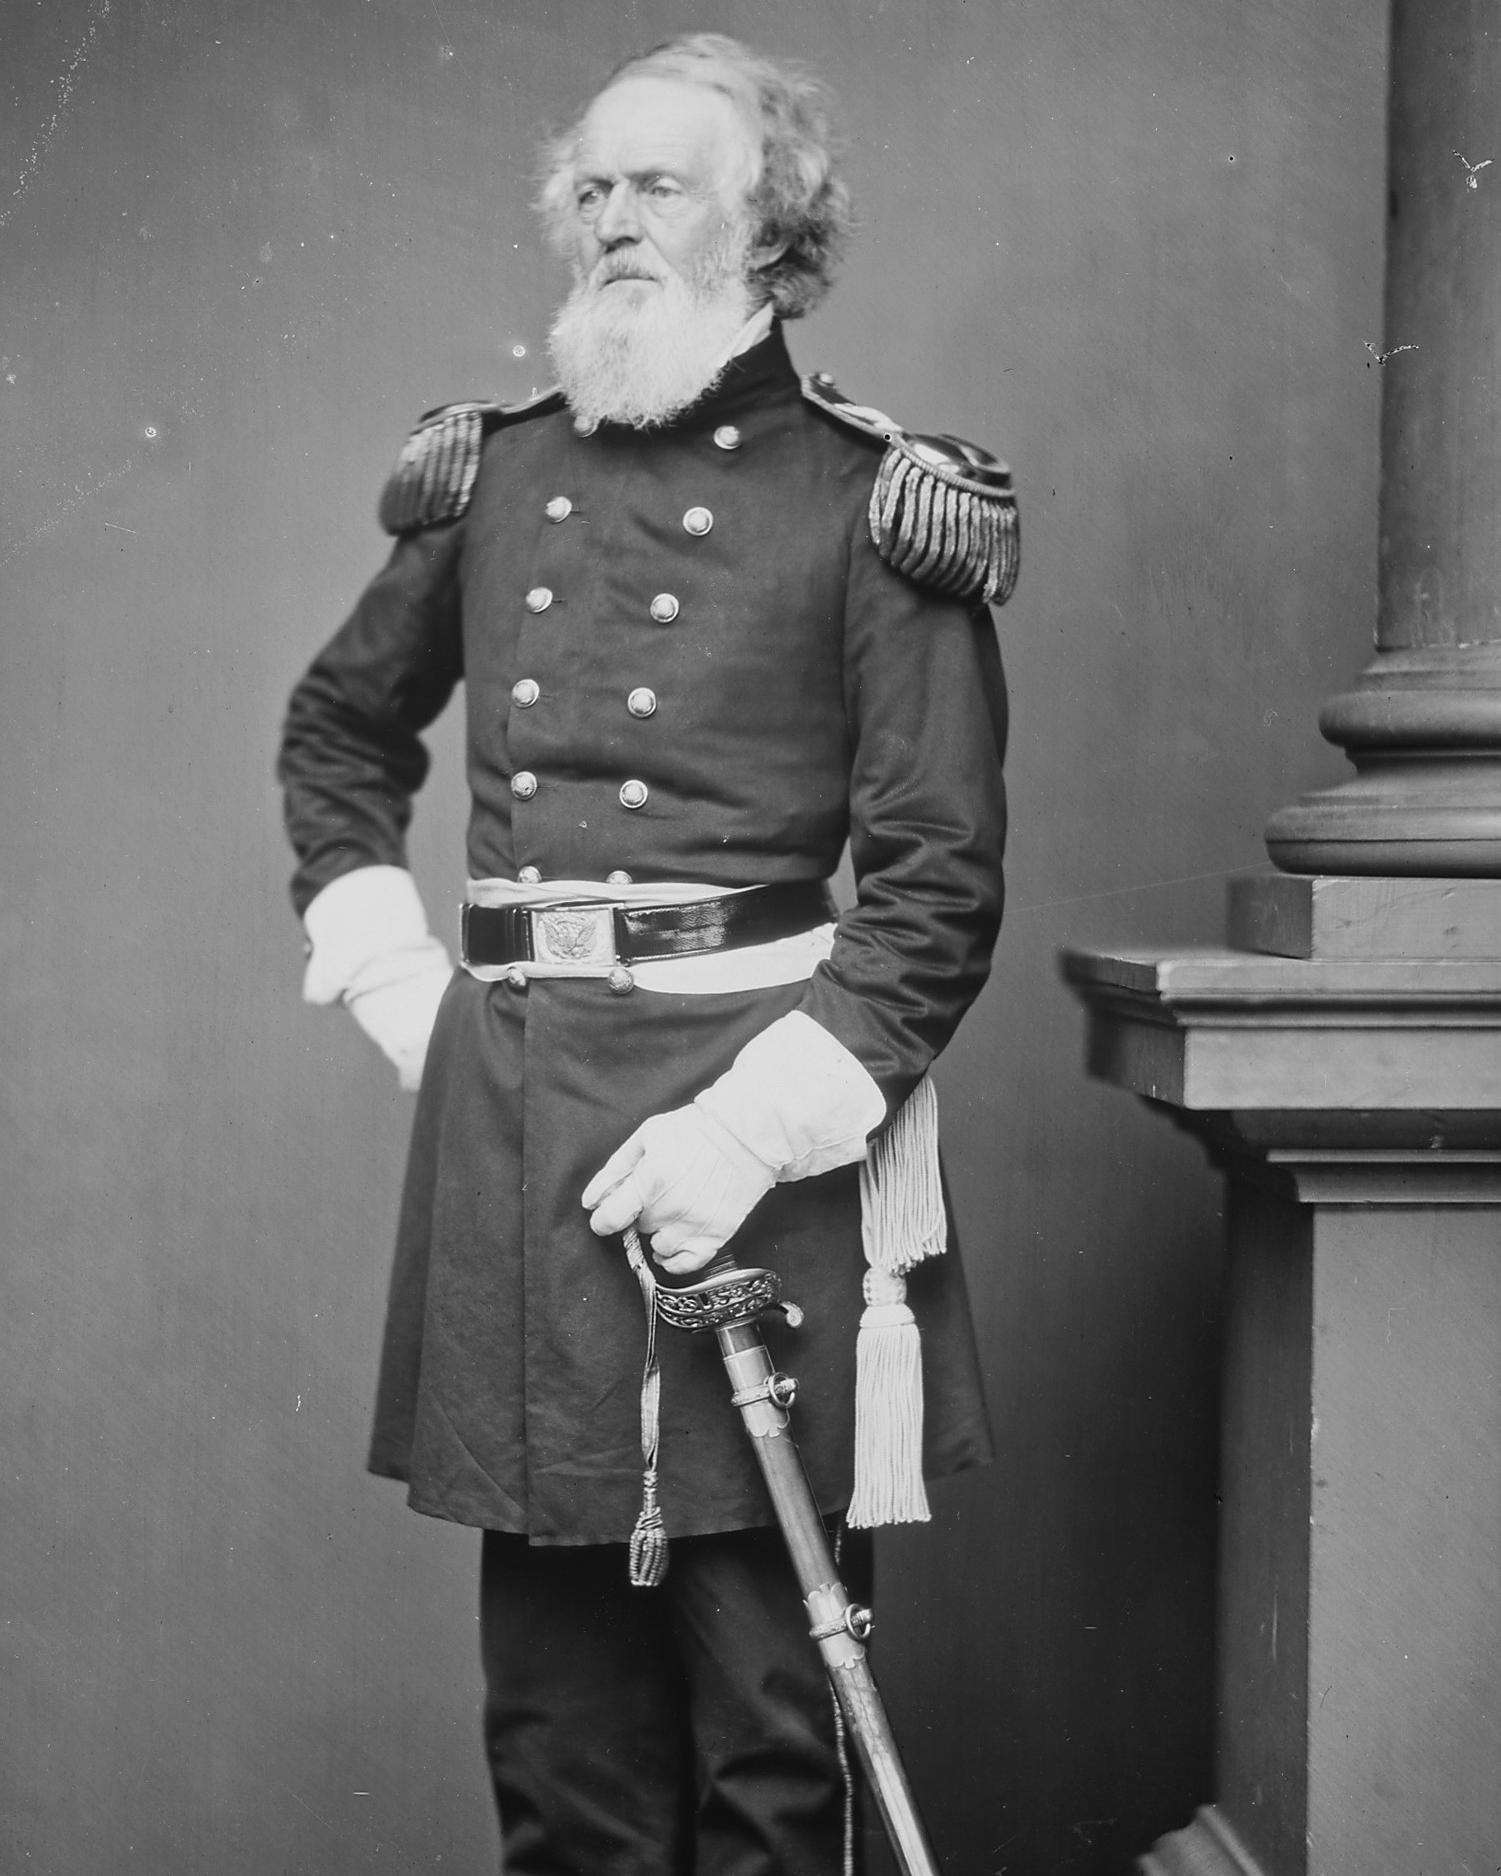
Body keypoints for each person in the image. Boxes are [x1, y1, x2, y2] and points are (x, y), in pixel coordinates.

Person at [278, 31, 1017, 1876]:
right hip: (519, 1121)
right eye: (589, 189)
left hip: (749, 1136)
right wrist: (400, 987)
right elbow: (337, 736)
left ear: (772, 226)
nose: (611, 220)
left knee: (773, 1735)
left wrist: (746, 1134)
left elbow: (935, 887)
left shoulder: (876, 497)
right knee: (558, 1742)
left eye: (659, 185)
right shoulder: (494, 473)